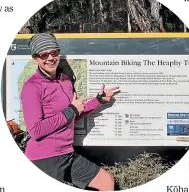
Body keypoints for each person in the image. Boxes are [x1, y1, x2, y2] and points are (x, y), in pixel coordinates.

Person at [21, 33, 120, 191]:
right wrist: (70, 111)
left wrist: (98, 100)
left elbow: (72, 114)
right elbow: (36, 130)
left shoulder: (65, 81)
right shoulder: (32, 87)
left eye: (54, 52)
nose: (50, 58)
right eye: (44, 55)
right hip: (44, 158)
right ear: (36, 59)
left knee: (106, 181)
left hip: (67, 153)